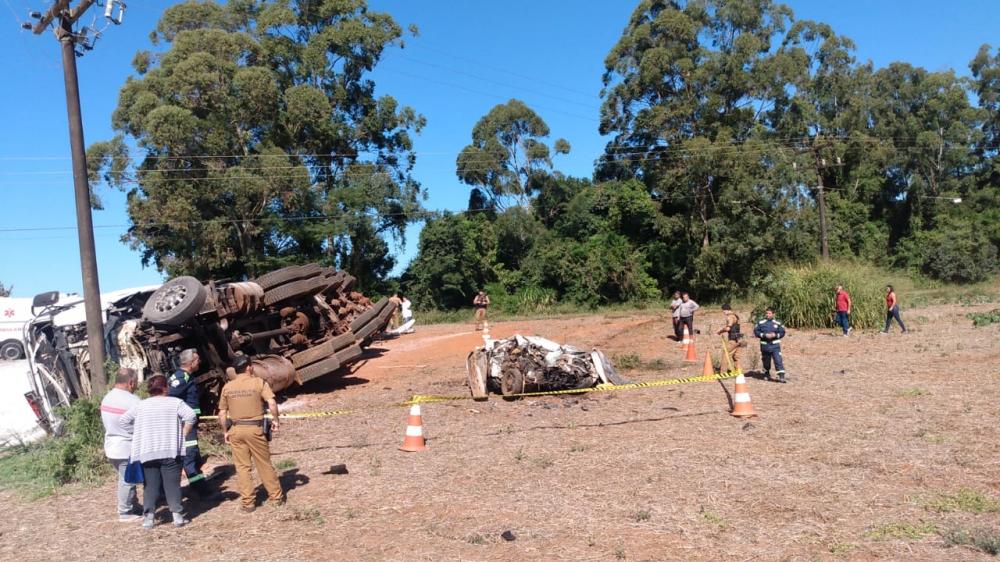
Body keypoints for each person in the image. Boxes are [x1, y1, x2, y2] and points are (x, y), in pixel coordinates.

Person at [119, 374, 197, 529]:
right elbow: (191, 416)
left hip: (148, 450)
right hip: (171, 449)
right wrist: (184, 432)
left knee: (150, 485)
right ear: (165, 387)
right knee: (172, 484)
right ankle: (177, 516)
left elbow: (123, 420)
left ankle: (148, 518)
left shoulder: (141, 405)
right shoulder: (176, 403)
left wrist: (138, 432)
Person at [217, 354, 285, 513]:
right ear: (248, 367)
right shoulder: (258, 382)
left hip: (236, 430)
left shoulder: (228, 387)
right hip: (255, 429)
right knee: (263, 463)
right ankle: (276, 497)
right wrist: (275, 421)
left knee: (242, 468)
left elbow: (222, 413)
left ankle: (248, 503)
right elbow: (272, 403)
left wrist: (225, 431)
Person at [168, 349, 215, 499]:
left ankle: (200, 486)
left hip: (189, 423)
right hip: (185, 424)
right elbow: (169, 397)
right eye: (197, 360)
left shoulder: (185, 377)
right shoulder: (182, 378)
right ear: (191, 362)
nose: (199, 362)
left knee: (194, 457)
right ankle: (201, 491)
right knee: (189, 458)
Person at [100, 367, 142, 522]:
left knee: (125, 478)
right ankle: (125, 512)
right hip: (126, 446)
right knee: (127, 481)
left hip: (111, 445)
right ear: (130, 382)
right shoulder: (133, 401)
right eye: (136, 383)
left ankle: (134, 505)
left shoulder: (107, 398)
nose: (136, 386)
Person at [753, 308, 787, 383]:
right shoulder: (761, 323)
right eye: (767, 313)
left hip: (775, 346)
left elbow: (782, 332)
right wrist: (764, 335)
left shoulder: (777, 323)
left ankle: (781, 376)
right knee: (766, 362)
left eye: (769, 313)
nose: (768, 315)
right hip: (765, 346)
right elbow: (756, 332)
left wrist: (775, 335)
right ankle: (766, 374)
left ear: (773, 314)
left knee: (778, 360)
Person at [716, 305, 743, 372]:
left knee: (725, 354)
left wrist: (720, 331)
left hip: (733, 339)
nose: (723, 313)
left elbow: (728, 328)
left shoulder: (730, 317)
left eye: (723, 311)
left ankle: (723, 373)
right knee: (736, 357)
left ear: (726, 310)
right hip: (739, 338)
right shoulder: (736, 316)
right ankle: (739, 372)